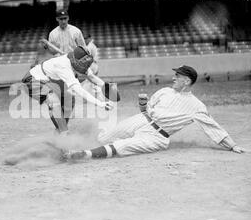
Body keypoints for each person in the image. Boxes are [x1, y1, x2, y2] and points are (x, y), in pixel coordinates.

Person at [63, 65, 246, 160]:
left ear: (187, 81)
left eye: (179, 76)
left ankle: (82, 155)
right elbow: (146, 110)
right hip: (142, 120)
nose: (174, 77)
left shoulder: (196, 106)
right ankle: (71, 143)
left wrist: (231, 145)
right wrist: (143, 105)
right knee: (105, 137)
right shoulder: (164, 91)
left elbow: (213, 127)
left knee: (123, 147)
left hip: (157, 137)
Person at [22, 45, 112, 134]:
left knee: (70, 99)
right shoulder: (63, 66)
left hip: (51, 81)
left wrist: (105, 86)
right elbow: (79, 90)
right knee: (52, 99)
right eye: (83, 64)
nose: (84, 67)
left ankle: (60, 131)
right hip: (32, 80)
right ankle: (64, 132)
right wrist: (100, 103)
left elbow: (91, 77)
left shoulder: (80, 62)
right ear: (75, 61)